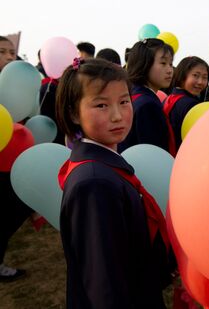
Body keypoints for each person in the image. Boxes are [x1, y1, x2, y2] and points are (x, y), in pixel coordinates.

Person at [55, 57, 173, 308]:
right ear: (74, 112)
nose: (118, 115)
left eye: (124, 102)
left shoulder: (104, 164)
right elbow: (104, 284)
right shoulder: (95, 183)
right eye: (101, 105)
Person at [0, 36, 33, 282]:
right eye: (3, 52)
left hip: (12, 163)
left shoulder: (17, 87)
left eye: (12, 52)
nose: (10, 57)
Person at [118, 39, 174, 155]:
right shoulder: (148, 105)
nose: (170, 70)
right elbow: (154, 154)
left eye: (171, 64)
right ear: (144, 64)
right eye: (163, 63)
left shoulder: (133, 94)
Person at [164, 56, 209, 150]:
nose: (200, 82)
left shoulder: (168, 98)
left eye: (205, 77)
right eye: (195, 75)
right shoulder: (191, 105)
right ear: (182, 76)